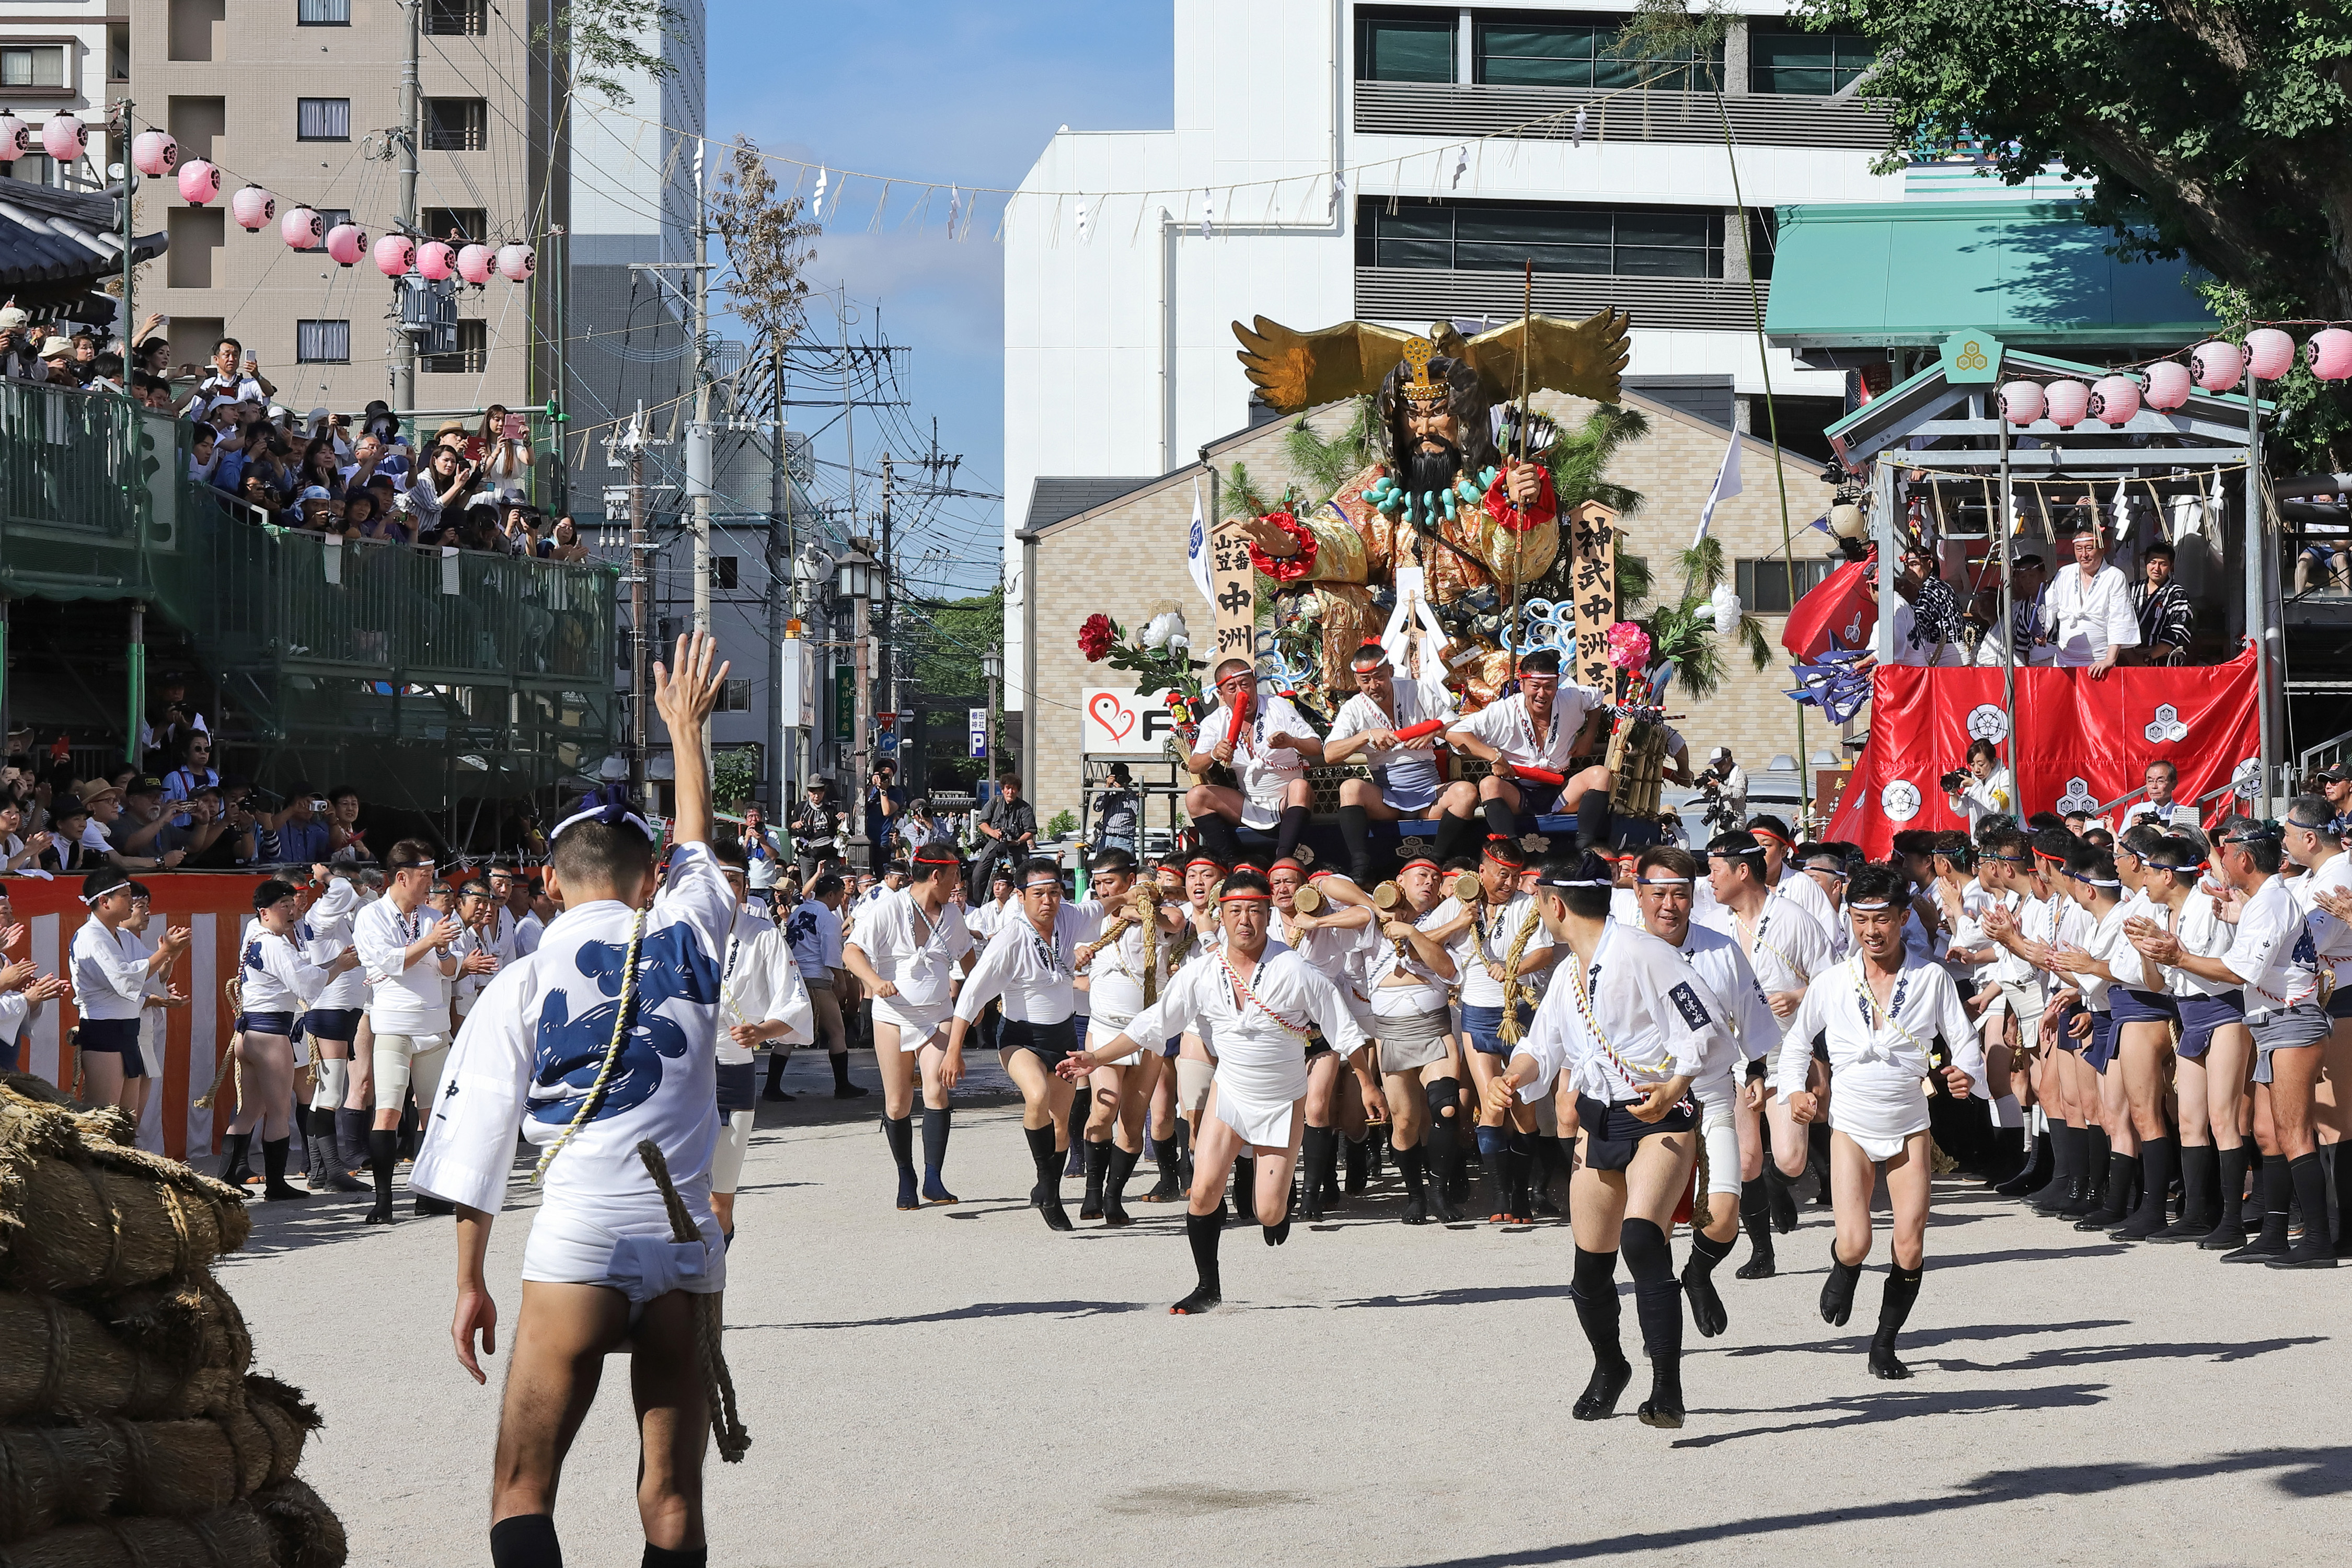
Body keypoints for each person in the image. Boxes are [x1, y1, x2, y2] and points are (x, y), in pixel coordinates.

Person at [415, 633, 737, 1568]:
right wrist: (685, 732)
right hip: (684, 1244)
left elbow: (477, 1147)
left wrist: (470, 1281)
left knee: (523, 1487)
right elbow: (700, 846)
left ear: (549, 884)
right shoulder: (692, 936)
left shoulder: (521, 979)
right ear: (652, 880)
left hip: (581, 1240)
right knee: (673, 1497)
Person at [1484, 851, 1731, 1427]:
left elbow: (1709, 1027)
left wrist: (1674, 1087)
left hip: (1659, 1118)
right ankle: (1610, 1365)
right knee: (1589, 1270)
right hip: (1600, 1122)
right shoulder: (1571, 970)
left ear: (1555, 904)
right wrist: (1512, 1079)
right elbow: (1541, 1047)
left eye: (1539, 900)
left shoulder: (1647, 954)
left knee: (1643, 1241)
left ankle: (1667, 1388)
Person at [1059, 866, 1370, 1313]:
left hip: (1282, 1098)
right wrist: (1097, 1057)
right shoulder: (1202, 972)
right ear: (1221, 916)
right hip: (1230, 1093)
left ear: (1268, 915)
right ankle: (1208, 1286)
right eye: (1236, 911)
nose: (1245, 920)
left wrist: (1366, 1082)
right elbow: (1153, 1023)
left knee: (1267, 1213)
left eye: (1256, 911)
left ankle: (1274, 1206)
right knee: (1204, 1191)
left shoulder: (1296, 969)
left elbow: (1344, 1031)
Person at [1778, 864, 1981, 1379]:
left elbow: (1965, 1046)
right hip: (1850, 1122)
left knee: (1910, 1244)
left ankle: (1884, 1345)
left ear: (1903, 918)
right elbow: (1798, 1042)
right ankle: (1844, 1266)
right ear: (1850, 919)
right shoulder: (1831, 982)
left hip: (1910, 1123)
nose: (1872, 930)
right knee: (1857, 1241)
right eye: (1862, 918)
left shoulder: (1931, 977)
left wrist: (1964, 1076)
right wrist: (1796, 1091)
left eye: (1883, 920)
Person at [2134, 814, 2333, 1267]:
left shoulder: (2270, 901)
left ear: (2244, 857)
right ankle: (2276, 1234)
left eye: (2224, 850)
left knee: (2295, 1133)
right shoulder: (2263, 899)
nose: (2219, 858)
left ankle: (2318, 1239)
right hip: (2273, 1019)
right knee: (2268, 1131)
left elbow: (2241, 971)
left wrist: (2179, 956)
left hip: (2292, 1018)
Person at [1630, 845, 1780, 1337]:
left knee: (1721, 1218)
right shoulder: (1620, 954)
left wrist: (1756, 1068)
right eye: (1659, 894)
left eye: (1680, 894)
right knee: (1652, 1223)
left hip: (1711, 1093)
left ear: (1694, 898)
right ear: (1639, 894)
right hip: (1647, 1103)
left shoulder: (1720, 950)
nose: (1669, 905)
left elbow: (1753, 1015)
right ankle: (1659, 1319)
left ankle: (1697, 1274)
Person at [1699, 829, 1835, 1273]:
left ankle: (1779, 1189)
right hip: (1731, 1056)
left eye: (1716, 870)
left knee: (1793, 1160)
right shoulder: (1711, 925)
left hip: (1784, 1053)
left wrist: (1799, 996)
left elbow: (1835, 983)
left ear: (1743, 871)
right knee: (1746, 1158)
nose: (1710, 880)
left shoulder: (1794, 917)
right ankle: (1763, 1252)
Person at [944, 857, 1103, 1230]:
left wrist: (1137, 894)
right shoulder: (1010, 938)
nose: (1048, 902)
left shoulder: (1069, 916)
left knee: (1062, 1123)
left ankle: (1046, 1186)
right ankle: (1051, 1196)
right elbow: (971, 996)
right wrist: (954, 1051)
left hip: (1063, 1038)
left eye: (1054, 893)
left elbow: (1106, 904)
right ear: (1021, 896)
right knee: (1037, 1098)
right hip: (1021, 1039)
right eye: (1038, 894)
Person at [844, 844, 975, 1209]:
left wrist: (975, 1003)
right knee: (898, 1102)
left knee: (937, 1091)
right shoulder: (888, 907)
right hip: (893, 1014)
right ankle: (907, 1175)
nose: (957, 883)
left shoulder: (952, 915)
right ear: (937, 876)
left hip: (938, 1014)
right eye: (954, 876)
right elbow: (851, 952)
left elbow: (970, 963)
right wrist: (874, 980)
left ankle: (934, 1177)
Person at [1427, 838, 1553, 1221]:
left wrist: (1515, 969)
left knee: (1523, 1109)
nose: (1509, 882)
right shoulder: (1458, 905)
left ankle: (1520, 1195)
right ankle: (1500, 1197)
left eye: (1515, 875)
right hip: (1478, 1014)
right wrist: (1459, 923)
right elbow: (1416, 942)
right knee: (1493, 1105)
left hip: (1520, 1013)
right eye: (1502, 874)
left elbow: (1545, 952)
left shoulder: (1527, 906)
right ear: (1481, 872)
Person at [354, 839, 469, 1224]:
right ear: (402, 877)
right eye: (425, 876)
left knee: (434, 1114)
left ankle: (429, 1194)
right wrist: (431, 943)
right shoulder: (372, 916)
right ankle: (384, 1200)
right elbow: (390, 962)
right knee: (387, 1111)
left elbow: (450, 971)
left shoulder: (433, 917)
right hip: (393, 1026)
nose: (431, 884)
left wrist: (442, 952)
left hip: (434, 1024)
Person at [228, 879, 358, 1201]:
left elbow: (305, 975)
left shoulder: (253, 932)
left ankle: (227, 1179)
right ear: (264, 912)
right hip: (270, 1033)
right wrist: (338, 967)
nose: (290, 910)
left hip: (250, 1032)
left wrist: (331, 966)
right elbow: (307, 984)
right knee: (278, 1111)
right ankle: (276, 1184)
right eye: (282, 905)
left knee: (250, 1111)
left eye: (291, 903)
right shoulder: (275, 944)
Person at [710, 841, 811, 1240]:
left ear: (745, 888)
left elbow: (794, 1002)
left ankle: (708, 1290)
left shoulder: (764, 934)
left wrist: (761, 1032)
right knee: (675, 1197)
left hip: (733, 1070)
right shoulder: (677, 932)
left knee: (720, 1202)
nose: (724, 888)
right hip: (680, 1074)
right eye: (715, 880)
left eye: (732, 880)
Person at [1354, 854, 1463, 1221]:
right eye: (1421, 875)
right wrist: (1378, 906)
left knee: (1446, 1108)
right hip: (1392, 1033)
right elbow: (1325, 884)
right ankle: (1415, 1195)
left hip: (1434, 1026)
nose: (1430, 882)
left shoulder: (1446, 918)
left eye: (1435, 877)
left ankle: (1440, 1192)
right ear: (1401, 881)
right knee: (1405, 1122)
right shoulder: (1371, 919)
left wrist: (1415, 933)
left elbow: (1449, 972)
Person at [1439, 647, 1614, 859]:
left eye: (1549, 687)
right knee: (1489, 784)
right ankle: (1512, 851)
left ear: (1557, 684)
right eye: (1535, 687)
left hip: (1561, 790)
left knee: (1600, 775)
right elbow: (1455, 733)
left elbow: (1596, 698)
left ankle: (1585, 848)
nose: (1542, 694)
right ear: (1522, 684)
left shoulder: (1572, 698)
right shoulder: (1502, 712)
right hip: (1518, 793)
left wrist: (1589, 736)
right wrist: (1494, 756)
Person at [1323, 641, 1456, 883]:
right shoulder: (1354, 708)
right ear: (1357, 681)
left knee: (1466, 793)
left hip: (1429, 791)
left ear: (1391, 671)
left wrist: (1435, 731)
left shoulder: (1417, 689)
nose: (1374, 686)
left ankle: (1438, 860)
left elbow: (1456, 726)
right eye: (1366, 681)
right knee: (1350, 788)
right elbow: (1330, 754)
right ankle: (1361, 866)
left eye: (1379, 678)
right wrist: (1366, 735)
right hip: (1388, 796)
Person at [72, 869, 191, 1121]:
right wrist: (164, 953)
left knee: (128, 1122)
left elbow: (149, 973)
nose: (130, 901)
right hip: (103, 1029)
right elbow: (124, 979)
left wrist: (171, 955)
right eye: (126, 896)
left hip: (129, 1029)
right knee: (104, 1121)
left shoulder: (124, 936)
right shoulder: (90, 937)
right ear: (104, 902)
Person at [1185, 657, 1323, 867]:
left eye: (1245, 684)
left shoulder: (1278, 707)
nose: (1241, 693)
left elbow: (1316, 747)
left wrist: (1291, 741)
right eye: (1232, 688)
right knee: (1196, 797)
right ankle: (1232, 864)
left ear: (1255, 683)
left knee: (1300, 786)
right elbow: (1194, 765)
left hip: (1289, 801)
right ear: (1221, 695)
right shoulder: (1215, 722)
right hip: (1249, 804)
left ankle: (1282, 861)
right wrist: (1214, 753)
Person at [298, 864, 372, 1192]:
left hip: (347, 1007)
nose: (354, 889)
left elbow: (378, 905)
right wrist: (327, 877)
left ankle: (318, 1170)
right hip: (331, 1007)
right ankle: (332, 1170)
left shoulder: (348, 917)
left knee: (325, 1093)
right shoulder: (320, 916)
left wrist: (362, 889)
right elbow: (342, 891)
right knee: (330, 1093)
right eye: (350, 883)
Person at [781, 874, 864, 1101]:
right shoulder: (828, 917)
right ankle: (842, 1085)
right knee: (838, 1031)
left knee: (787, 1032)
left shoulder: (798, 912)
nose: (840, 901)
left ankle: (771, 1086)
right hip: (816, 978)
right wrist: (841, 980)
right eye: (839, 896)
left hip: (796, 976)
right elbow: (831, 953)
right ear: (831, 894)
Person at [2040, 521, 2140, 676]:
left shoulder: (2114, 576)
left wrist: (2110, 659)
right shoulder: (2064, 573)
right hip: (2064, 660)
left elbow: (2119, 618)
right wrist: (2043, 630)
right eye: (2079, 549)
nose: (2084, 555)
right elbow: (2049, 606)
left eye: (2089, 548)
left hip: (2099, 661)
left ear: (2102, 549)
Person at [969, 775, 1036, 901]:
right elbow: (982, 823)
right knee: (978, 875)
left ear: (1018, 791)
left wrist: (1017, 842)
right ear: (1003, 789)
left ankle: (1025, 903)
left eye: (1014, 789)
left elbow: (1030, 832)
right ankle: (979, 905)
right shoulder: (995, 802)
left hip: (1017, 845)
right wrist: (993, 832)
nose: (1010, 792)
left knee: (1025, 875)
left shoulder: (1025, 808)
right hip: (995, 842)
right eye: (1008, 788)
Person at [2130, 539, 2193, 664]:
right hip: (2130, 660)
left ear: (2171, 565)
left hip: (2164, 662)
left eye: (2163, 564)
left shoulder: (2177, 594)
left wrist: (2146, 659)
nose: (2156, 568)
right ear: (2146, 562)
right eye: (2153, 562)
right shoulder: (2131, 589)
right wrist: (2130, 656)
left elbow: (2177, 632)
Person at [1945, 739, 2014, 833]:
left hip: (2007, 839)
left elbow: (1999, 807)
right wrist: (1953, 793)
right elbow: (1962, 812)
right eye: (1972, 765)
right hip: (1981, 841)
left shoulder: (2007, 777)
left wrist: (1974, 786)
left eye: (1981, 765)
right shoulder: (1974, 779)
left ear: (1993, 762)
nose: (1976, 770)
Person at [2120, 759, 2199, 832]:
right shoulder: (2137, 810)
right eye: (2150, 781)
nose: (2154, 786)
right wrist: (2133, 831)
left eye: (2160, 781)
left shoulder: (2184, 813)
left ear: (2174, 784)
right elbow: (2121, 845)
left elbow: (2195, 845)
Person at [1091, 763, 1140, 858]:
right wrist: (1108, 788)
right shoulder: (1109, 792)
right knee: (1102, 867)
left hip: (1124, 839)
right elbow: (1097, 807)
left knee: (1125, 869)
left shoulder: (1132, 794)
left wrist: (1125, 792)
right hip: (1106, 837)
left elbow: (1138, 810)